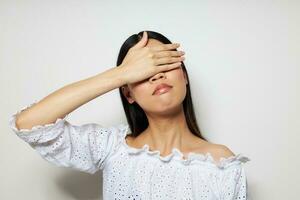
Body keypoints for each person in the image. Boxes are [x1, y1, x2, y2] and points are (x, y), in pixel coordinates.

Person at [9, 30, 250, 200]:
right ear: (128, 94)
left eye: (163, 64)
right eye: (142, 72)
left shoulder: (222, 164)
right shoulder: (111, 147)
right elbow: (29, 123)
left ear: (184, 76)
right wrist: (121, 74)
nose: (156, 76)